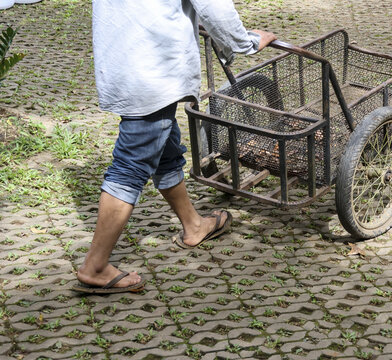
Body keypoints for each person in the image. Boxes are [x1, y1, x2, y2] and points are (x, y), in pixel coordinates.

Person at [73, 0, 277, 294]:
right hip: (153, 71)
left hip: (125, 60)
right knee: (130, 167)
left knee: (166, 148)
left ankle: (193, 225)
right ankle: (95, 266)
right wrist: (245, 42)